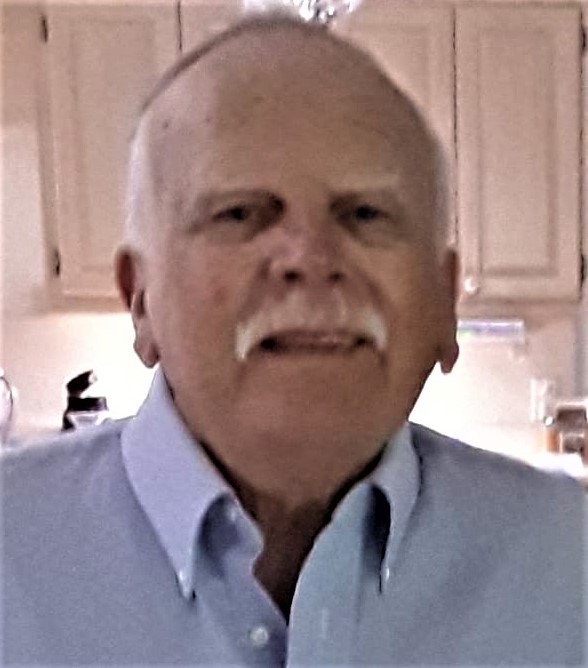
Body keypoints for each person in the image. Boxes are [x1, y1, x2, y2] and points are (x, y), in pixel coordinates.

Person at [2, 13, 585, 667]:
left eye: (366, 214)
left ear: (443, 301)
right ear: (140, 299)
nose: (311, 258)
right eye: (239, 214)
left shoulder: (569, 561)